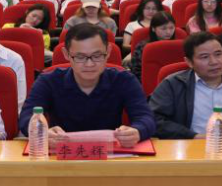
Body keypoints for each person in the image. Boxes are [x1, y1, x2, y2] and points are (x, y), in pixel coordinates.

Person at [19, 23, 155, 146]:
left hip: (110, 155)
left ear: (108, 52)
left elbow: (146, 118)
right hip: (61, 155)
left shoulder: (124, 80)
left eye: (97, 56)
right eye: (80, 57)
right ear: (66, 54)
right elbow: (26, 118)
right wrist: (42, 133)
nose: (89, 64)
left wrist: (137, 131)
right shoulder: (48, 81)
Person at [130, 11, 176, 81]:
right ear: (153, 28)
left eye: (171, 28)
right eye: (163, 28)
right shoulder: (143, 47)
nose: (168, 32)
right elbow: (136, 72)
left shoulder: (178, 46)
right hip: (149, 83)